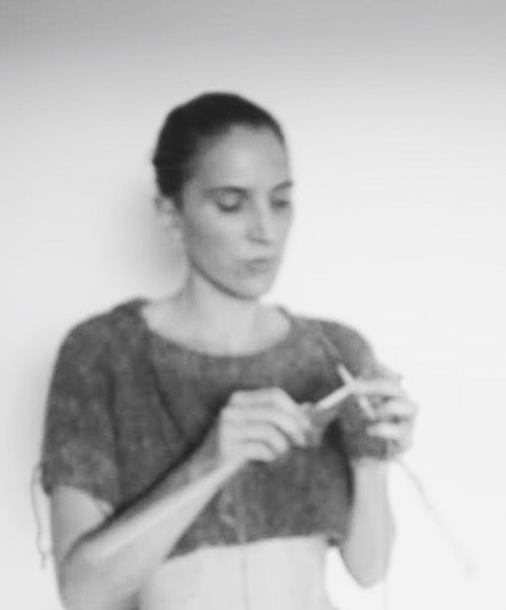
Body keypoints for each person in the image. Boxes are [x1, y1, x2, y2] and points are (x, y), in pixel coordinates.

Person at [39, 92, 418, 610]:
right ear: (171, 215)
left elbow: (370, 568)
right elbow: (82, 592)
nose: (265, 232)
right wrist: (212, 462)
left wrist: (373, 455)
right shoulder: (105, 354)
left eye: (280, 201)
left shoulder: (334, 351)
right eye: (231, 204)